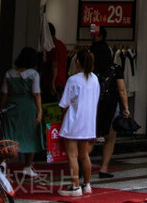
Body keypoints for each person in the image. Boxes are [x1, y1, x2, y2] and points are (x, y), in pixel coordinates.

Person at [59, 49, 100, 197]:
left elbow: (64, 104)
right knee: (84, 155)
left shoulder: (73, 80)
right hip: (88, 122)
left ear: (77, 62)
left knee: (72, 155)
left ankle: (75, 187)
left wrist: (61, 119)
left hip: (73, 122)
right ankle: (86, 185)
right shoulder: (95, 79)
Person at [1, 47, 43, 177]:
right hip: (28, 108)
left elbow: (4, 94)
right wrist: (40, 111)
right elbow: (36, 94)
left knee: (9, 134)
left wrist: (2, 109)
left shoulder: (9, 73)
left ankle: (3, 162)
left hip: (11, 107)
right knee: (30, 135)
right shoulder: (34, 74)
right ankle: (28, 166)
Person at [96, 57, 131, 178]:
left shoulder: (91, 67)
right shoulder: (116, 68)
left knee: (90, 139)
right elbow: (121, 89)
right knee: (110, 139)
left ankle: (80, 165)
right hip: (110, 106)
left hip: (94, 107)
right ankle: (103, 169)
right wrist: (126, 107)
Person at [41, 23, 67, 103]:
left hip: (52, 83)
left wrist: (52, 83)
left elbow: (54, 65)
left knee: (49, 108)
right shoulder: (62, 45)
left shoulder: (52, 46)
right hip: (61, 81)